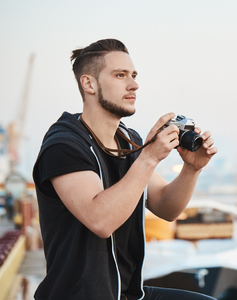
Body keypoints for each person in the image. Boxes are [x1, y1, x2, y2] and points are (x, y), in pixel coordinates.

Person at [32, 39, 218, 300]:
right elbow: (100, 220)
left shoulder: (127, 140)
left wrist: (191, 169)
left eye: (133, 75)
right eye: (120, 75)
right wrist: (148, 158)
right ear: (89, 84)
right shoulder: (63, 145)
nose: (134, 85)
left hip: (128, 294)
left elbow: (167, 207)